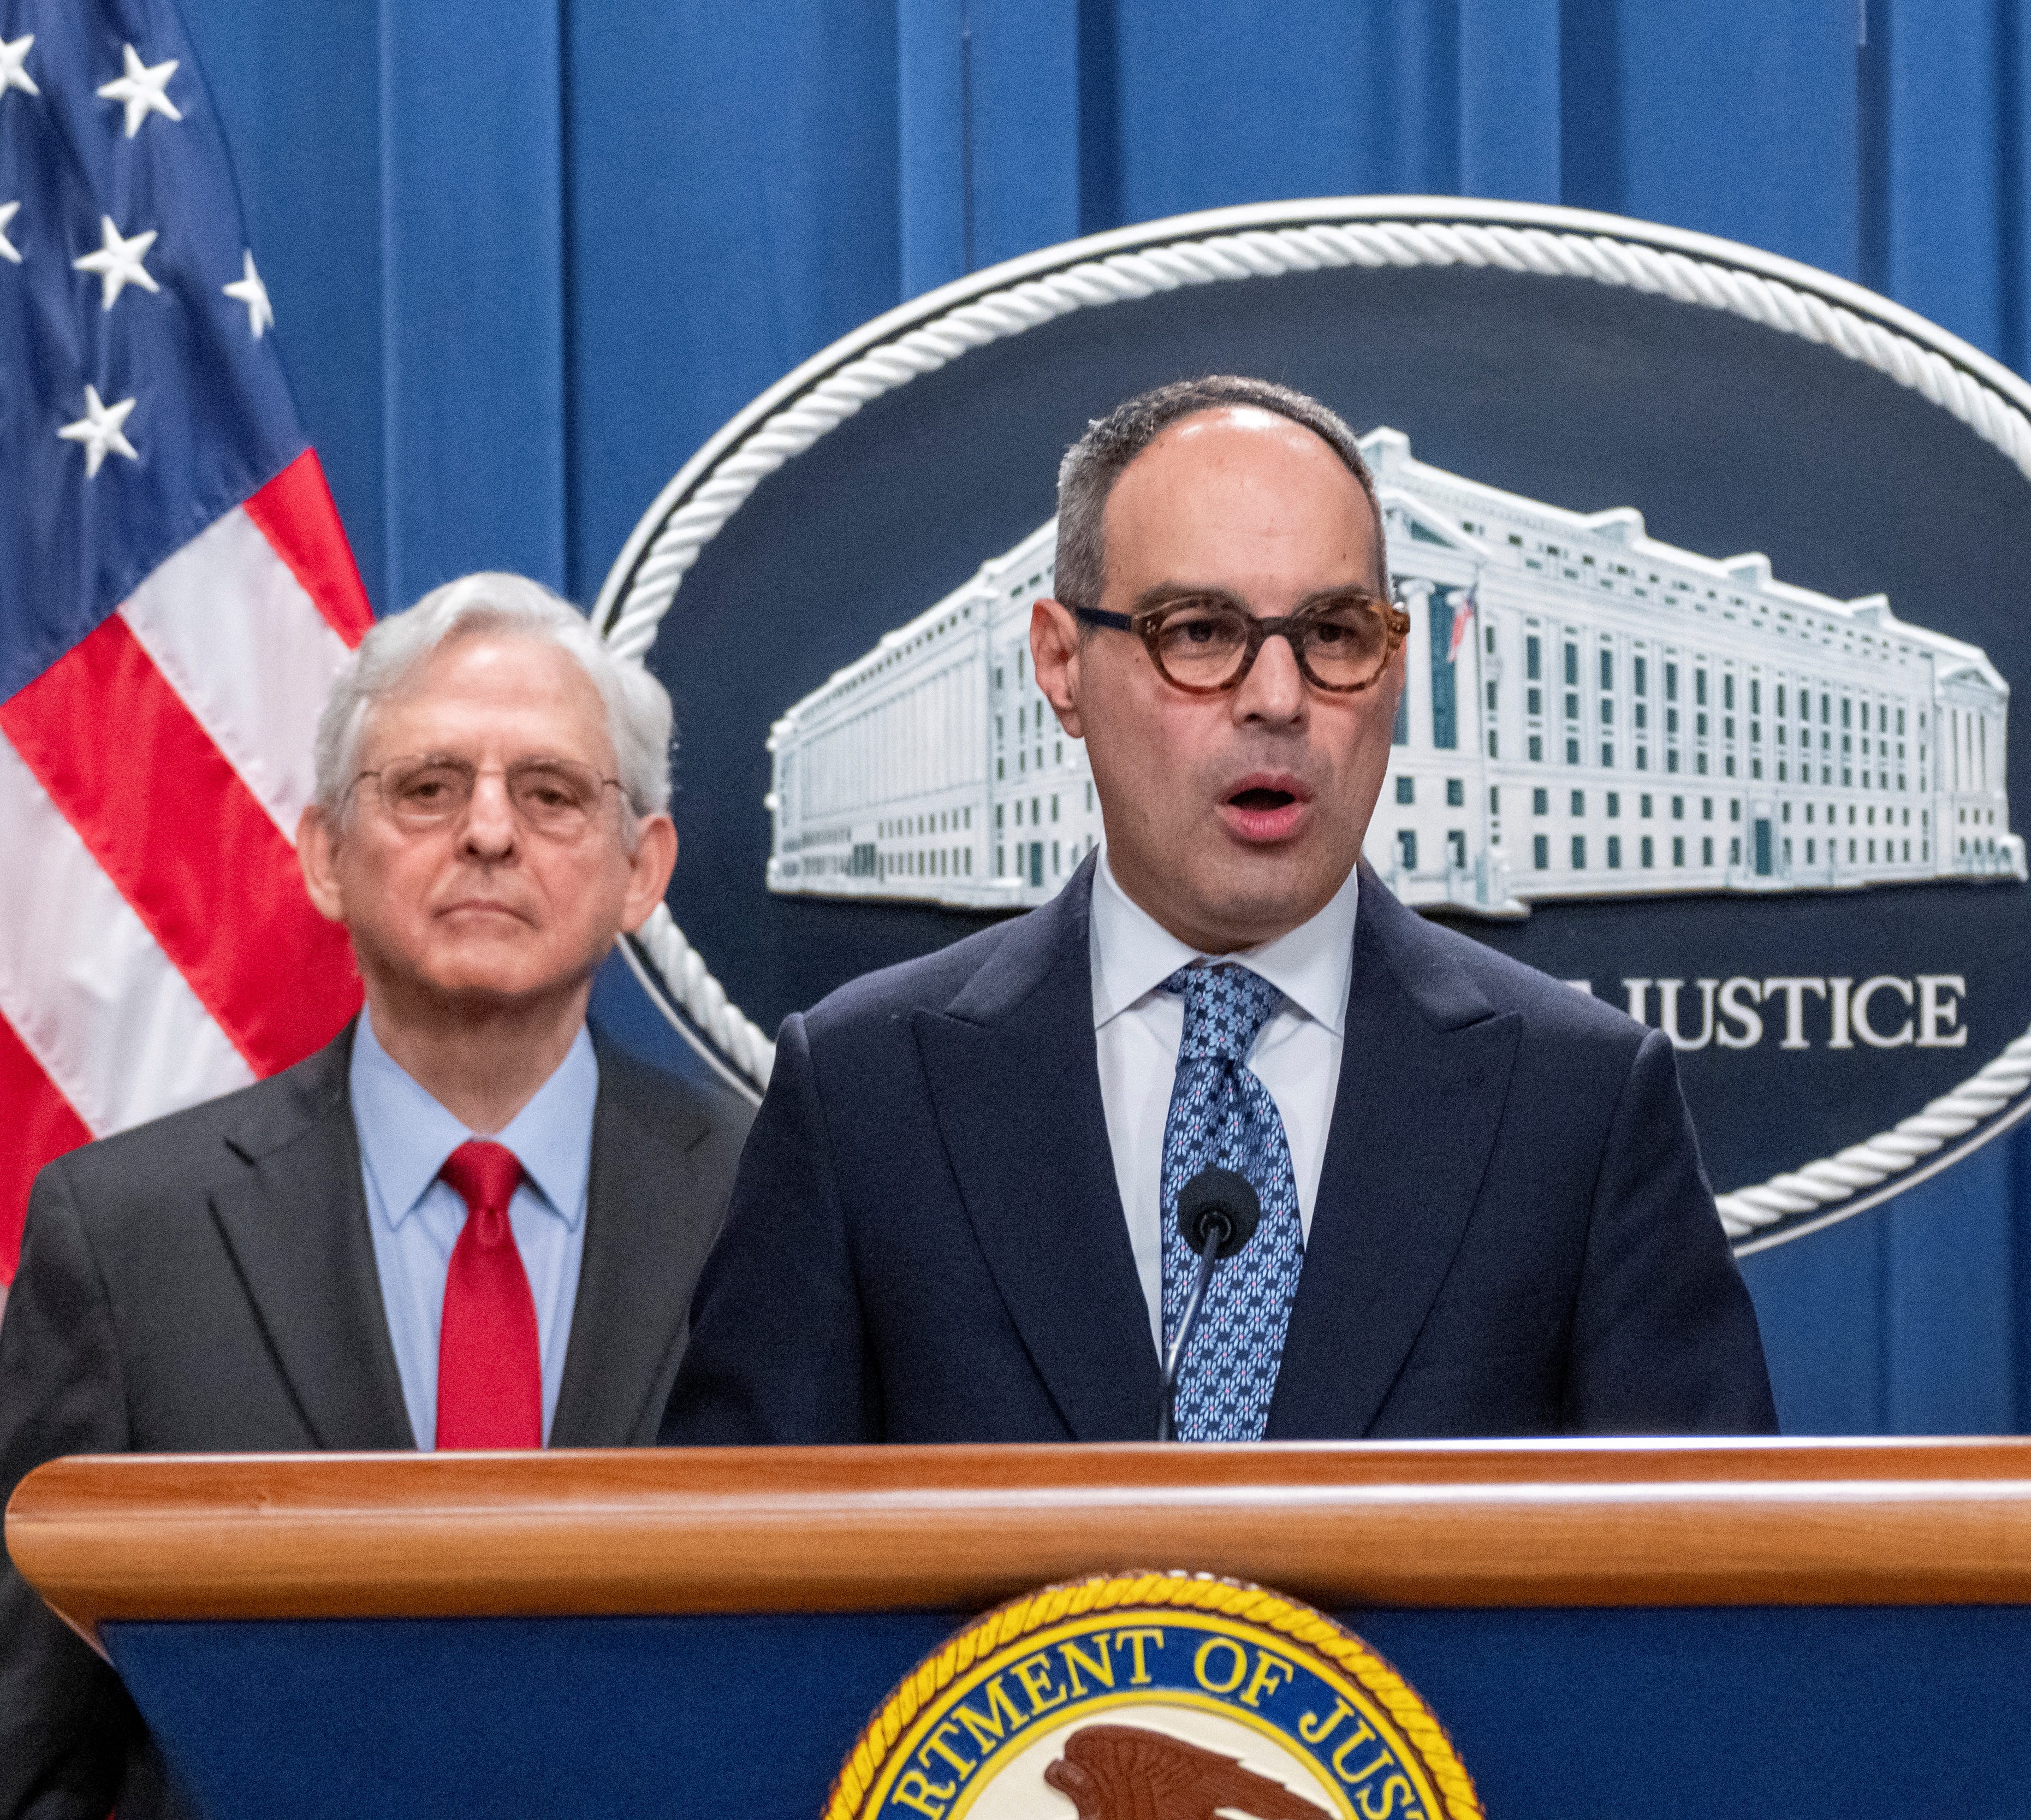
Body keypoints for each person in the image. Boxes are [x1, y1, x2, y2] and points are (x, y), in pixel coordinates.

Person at [661, 375, 1774, 1446]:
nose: (1279, 699)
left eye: (1335, 634)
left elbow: (1698, 1591)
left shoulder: (1577, 1100)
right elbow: (740, 1587)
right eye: (1199, 632)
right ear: (1060, 663)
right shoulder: (868, 1093)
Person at [0, 573, 753, 1819]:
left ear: (642, 867)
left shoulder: (774, 1207)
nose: (491, 832)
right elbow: (32, 1747)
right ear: (324, 855)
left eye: (552, 792)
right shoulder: (126, 1236)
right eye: (428, 787)